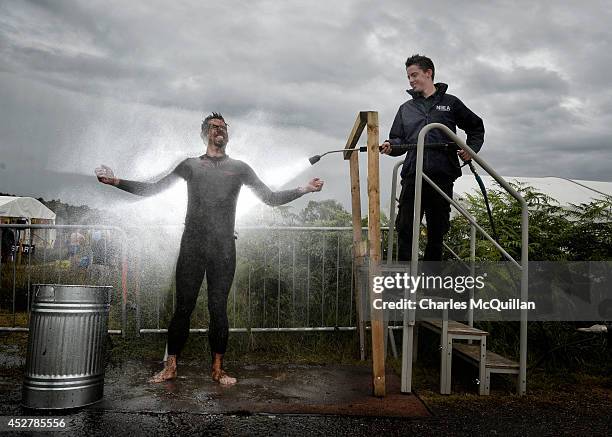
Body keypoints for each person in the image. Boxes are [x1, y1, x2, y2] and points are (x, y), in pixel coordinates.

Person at [95, 113, 324, 385]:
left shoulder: (240, 168)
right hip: (192, 244)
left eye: (224, 128)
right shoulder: (191, 165)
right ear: (205, 134)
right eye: (215, 127)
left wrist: (304, 189)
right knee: (183, 308)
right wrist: (117, 181)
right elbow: (153, 189)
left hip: (223, 247)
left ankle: (218, 369)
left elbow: (270, 198)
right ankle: (171, 367)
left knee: (218, 308)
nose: (220, 131)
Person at [380, 54, 484, 261]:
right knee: (406, 227)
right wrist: (391, 146)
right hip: (413, 174)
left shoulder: (451, 103)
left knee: (437, 229)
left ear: (429, 73)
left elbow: (476, 127)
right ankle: (405, 283)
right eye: (408, 76)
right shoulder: (405, 109)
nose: (410, 80)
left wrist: (471, 149)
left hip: (442, 174)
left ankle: (429, 283)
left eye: (414, 75)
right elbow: (399, 140)